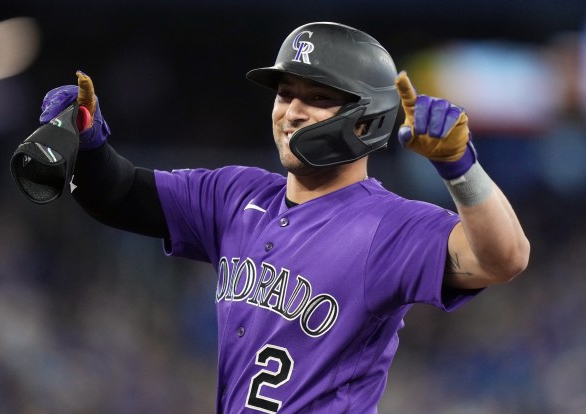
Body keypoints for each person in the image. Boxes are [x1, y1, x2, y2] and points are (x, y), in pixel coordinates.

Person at [37, 22, 530, 413]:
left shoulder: (387, 225)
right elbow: (119, 193)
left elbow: (503, 258)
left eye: (317, 98)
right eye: (284, 93)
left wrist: (460, 169)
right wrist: (89, 144)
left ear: (368, 119)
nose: (292, 111)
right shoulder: (234, 195)